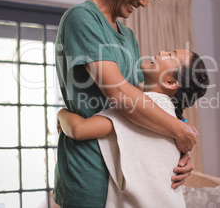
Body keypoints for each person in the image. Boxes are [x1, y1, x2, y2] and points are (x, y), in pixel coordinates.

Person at [54, 0, 198, 207]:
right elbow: (120, 94)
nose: (144, 2)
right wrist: (179, 131)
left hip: (125, 173)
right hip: (90, 172)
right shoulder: (82, 18)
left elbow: (147, 98)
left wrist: (179, 148)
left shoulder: (127, 36)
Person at [58, 49, 209, 207]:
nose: (162, 51)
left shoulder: (143, 108)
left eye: (171, 55)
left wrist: (62, 113)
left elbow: (79, 129)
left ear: (170, 82)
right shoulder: (171, 114)